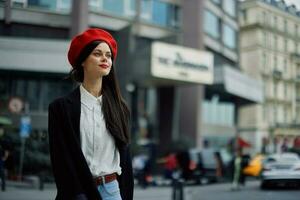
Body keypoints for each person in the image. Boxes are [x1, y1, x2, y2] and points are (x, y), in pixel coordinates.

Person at [48, 28, 133, 200]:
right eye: (97, 53)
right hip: (79, 192)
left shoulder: (120, 108)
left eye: (108, 55)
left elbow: (125, 158)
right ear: (82, 61)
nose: (105, 59)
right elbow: (61, 160)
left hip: (112, 190)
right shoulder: (61, 108)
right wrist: (78, 194)